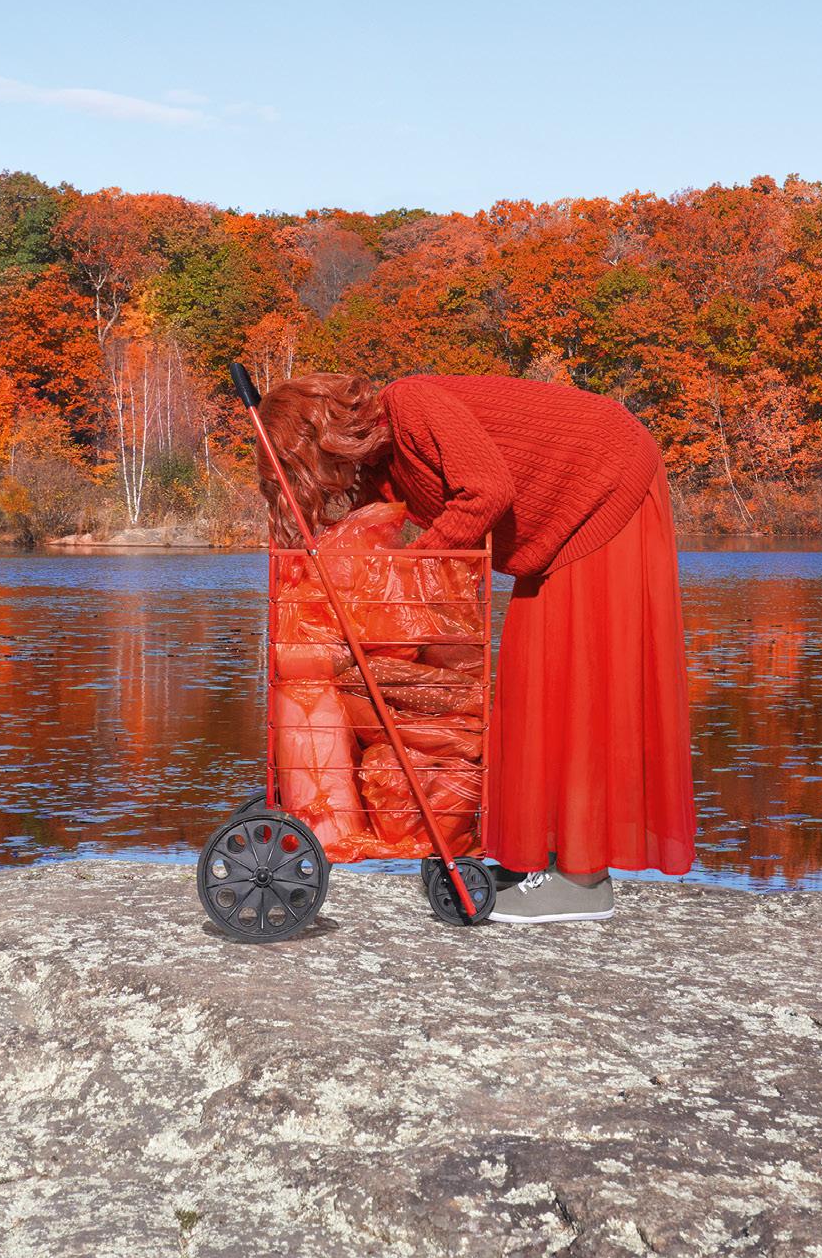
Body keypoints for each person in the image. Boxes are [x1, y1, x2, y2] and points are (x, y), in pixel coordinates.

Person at [252, 371, 695, 922]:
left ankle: (583, 882)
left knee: (580, 685)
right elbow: (359, 545)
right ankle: (544, 858)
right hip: (558, 528)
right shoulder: (379, 468)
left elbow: (486, 492)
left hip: (603, 481)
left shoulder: (411, 407)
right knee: (530, 690)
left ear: (324, 441)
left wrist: (412, 570)